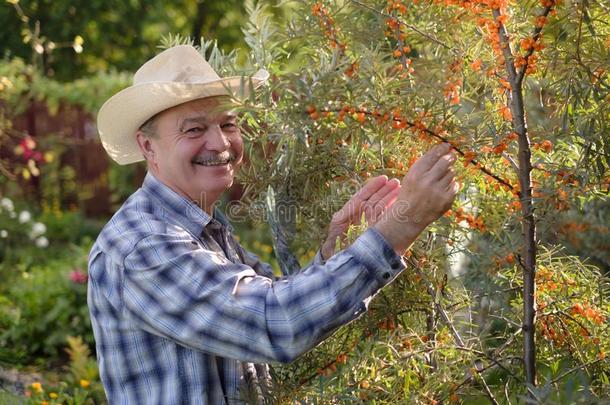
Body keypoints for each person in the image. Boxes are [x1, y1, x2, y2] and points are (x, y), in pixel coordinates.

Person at [89, 45, 458, 404]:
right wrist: (396, 230)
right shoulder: (142, 245)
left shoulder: (201, 228)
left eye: (227, 123)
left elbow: (270, 299)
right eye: (194, 129)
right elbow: (273, 324)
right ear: (148, 147)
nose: (220, 142)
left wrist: (334, 251)